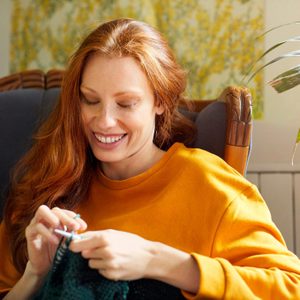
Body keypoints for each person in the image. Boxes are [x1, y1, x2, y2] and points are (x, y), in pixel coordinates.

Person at [0, 18, 300, 299]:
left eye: (126, 104)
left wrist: (159, 262)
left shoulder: (209, 184)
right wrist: (34, 276)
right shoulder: (44, 185)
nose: (104, 121)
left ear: (160, 101)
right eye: (90, 100)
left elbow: (290, 288)